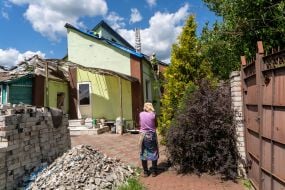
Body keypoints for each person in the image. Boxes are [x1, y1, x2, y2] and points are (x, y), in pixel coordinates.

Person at [139, 102, 159, 177]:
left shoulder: (141, 114)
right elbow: (156, 125)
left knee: (143, 152)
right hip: (151, 136)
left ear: (145, 107)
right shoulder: (153, 115)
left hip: (143, 136)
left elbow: (140, 123)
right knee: (154, 152)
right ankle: (154, 171)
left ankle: (145, 172)